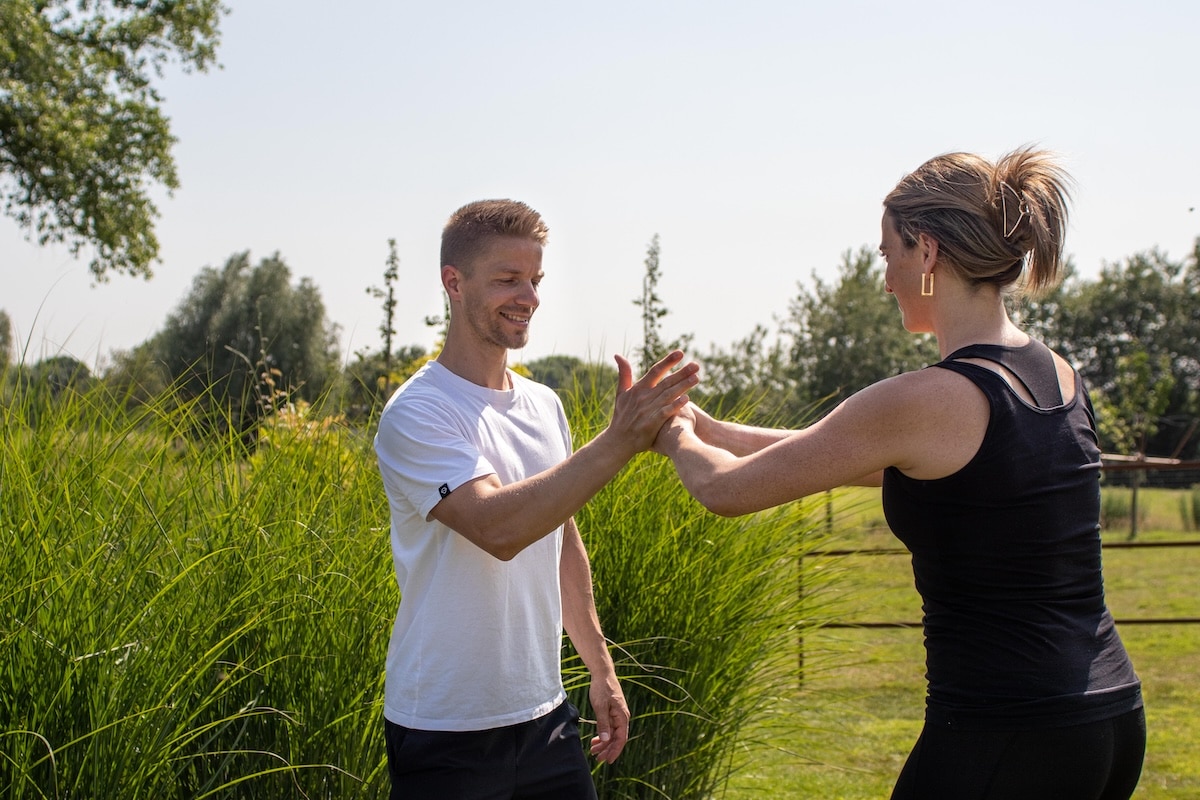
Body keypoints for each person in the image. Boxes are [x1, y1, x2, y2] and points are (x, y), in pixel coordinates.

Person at [654, 148, 1145, 799]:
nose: (884, 279)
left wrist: (670, 435)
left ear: (928, 253)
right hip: (1107, 720)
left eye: (888, 255)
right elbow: (833, 453)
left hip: (1008, 728)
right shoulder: (1057, 375)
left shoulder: (923, 399)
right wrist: (711, 430)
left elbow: (723, 491)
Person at [374, 198, 699, 799]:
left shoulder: (544, 405)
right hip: (445, 729)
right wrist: (620, 438)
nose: (529, 296)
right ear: (453, 282)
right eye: (507, 279)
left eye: (535, 280)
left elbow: (561, 541)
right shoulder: (418, 412)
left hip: (546, 717)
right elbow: (498, 528)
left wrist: (600, 671)